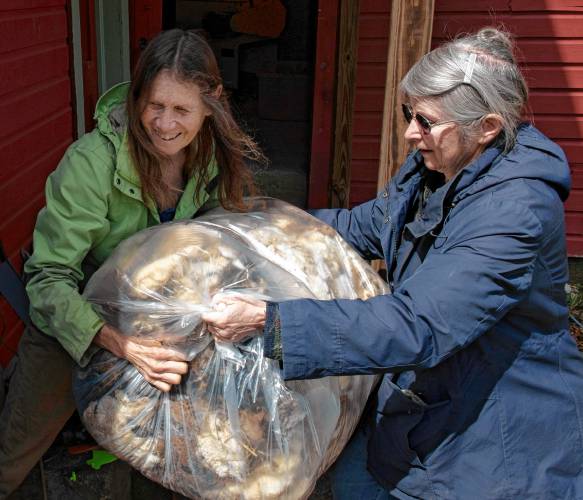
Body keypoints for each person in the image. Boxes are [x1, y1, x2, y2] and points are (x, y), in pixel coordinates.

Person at [202, 27, 583, 499]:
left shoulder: (513, 212)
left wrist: (270, 320)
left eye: (424, 120)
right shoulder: (440, 164)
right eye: (410, 114)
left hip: (490, 442)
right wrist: (257, 229)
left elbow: (419, 324)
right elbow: (366, 225)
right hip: (423, 405)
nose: (409, 132)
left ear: (486, 127)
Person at [0, 28, 260, 497]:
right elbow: (47, 278)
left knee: (168, 451)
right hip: (75, 318)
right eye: (154, 105)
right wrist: (118, 343)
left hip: (158, 320)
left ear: (210, 103)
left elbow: (222, 233)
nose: (164, 124)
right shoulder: (91, 164)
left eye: (181, 110)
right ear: (137, 97)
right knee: (15, 451)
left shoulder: (208, 153)